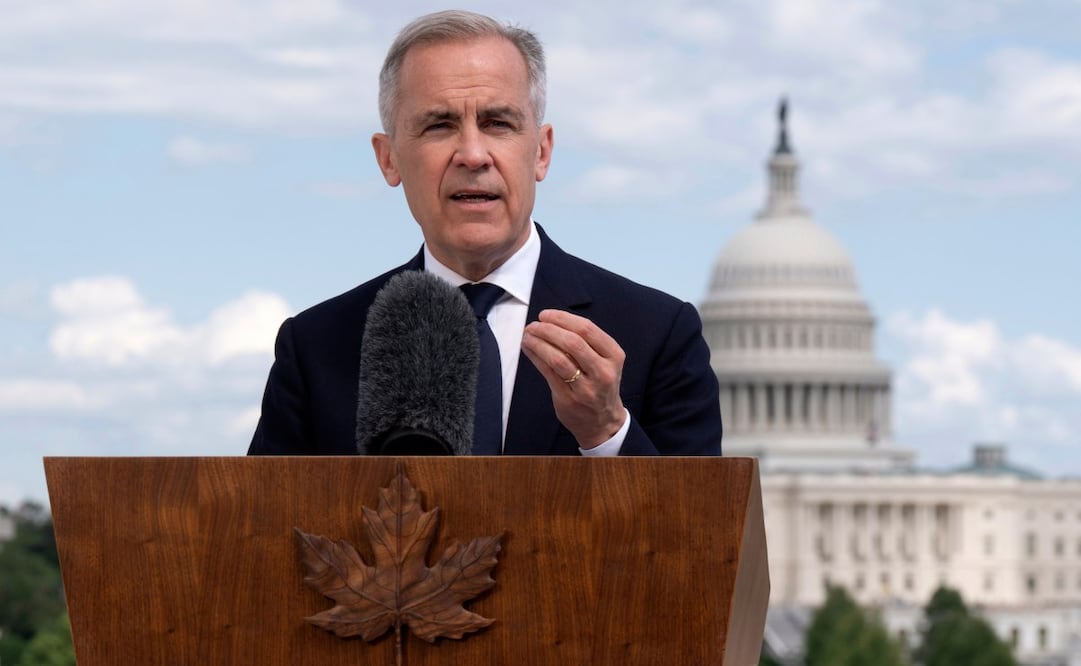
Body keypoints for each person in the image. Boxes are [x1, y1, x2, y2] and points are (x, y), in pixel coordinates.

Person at [248, 10, 721, 457]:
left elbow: (704, 535)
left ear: (541, 152)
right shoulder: (316, 348)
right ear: (388, 158)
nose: (473, 154)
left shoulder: (657, 334)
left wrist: (605, 431)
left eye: (498, 123)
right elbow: (260, 534)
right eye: (439, 125)